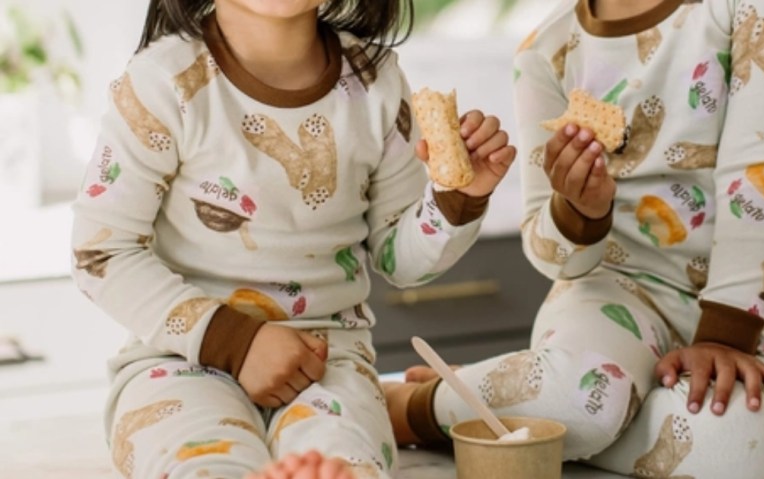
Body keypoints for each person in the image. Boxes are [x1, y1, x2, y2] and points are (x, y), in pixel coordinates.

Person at [69, 0, 516, 478]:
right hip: (178, 362)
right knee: (200, 464)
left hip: (329, 363)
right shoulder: (162, 80)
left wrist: (456, 199)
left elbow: (399, 259)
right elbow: (102, 252)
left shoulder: (376, 80)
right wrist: (236, 343)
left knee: (345, 463)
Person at [384, 0, 764, 477]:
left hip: (747, 317)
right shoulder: (544, 55)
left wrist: (726, 337)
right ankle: (414, 409)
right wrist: (579, 212)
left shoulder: (755, 8)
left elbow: (755, 171)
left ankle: (504, 401)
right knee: (584, 397)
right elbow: (552, 258)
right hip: (610, 295)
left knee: (735, 446)